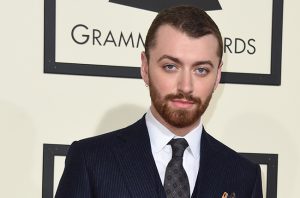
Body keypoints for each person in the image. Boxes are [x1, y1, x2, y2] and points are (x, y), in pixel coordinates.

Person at [55, 5, 262, 198]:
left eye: (201, 70)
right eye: (171, 66)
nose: (185, 87)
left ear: (217, 76)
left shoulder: (243, 176)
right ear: (145, 68)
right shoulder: (91, 160)